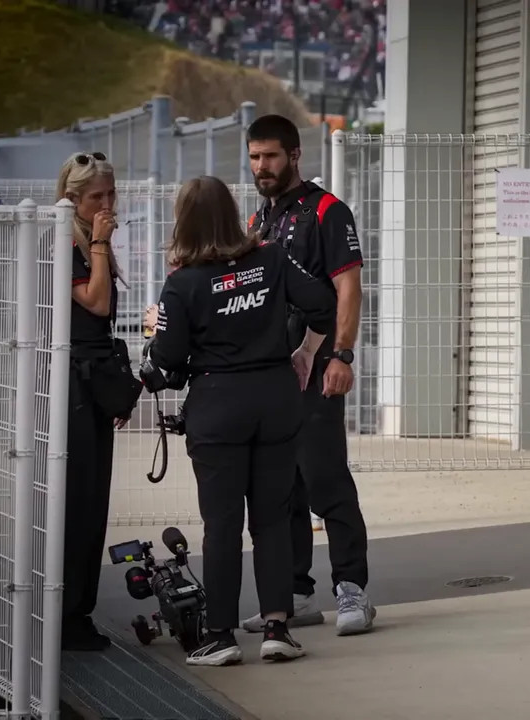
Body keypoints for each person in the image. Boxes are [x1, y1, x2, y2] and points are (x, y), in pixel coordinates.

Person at [142, 175, 337, 666]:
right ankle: (277, 628)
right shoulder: (271, 257)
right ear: (231, 213)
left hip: (217, 406)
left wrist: (154, 329)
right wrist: (306, 352)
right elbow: (323, 303)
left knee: (222, 524)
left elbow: (165, 365)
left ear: (183, 221)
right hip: (275, 398)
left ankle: (220, 636)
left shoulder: (182, 283)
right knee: (272, 519)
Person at [238, 114, 375, 636]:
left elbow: (349, 288)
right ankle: (293, 593)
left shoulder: (327, 211)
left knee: (324, 479)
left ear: (294, 155)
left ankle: (353, 591)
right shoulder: (259, 220)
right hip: (273, 375)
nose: (261, 166)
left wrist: (341, 355)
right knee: (281, 487)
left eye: (270, 156)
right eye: (254, 157)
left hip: (318, 367)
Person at [59, 151, 143, 651]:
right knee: (79, 500)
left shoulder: (90, 240)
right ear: (74, 199)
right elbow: (95, 301)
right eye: (97, 197)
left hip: (93, 379)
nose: (107, 205)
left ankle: (76, 609)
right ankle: (68, 613)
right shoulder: (68, 241)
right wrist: (98, 242)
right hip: (74, 382)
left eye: (111, 194)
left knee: (92, 501)